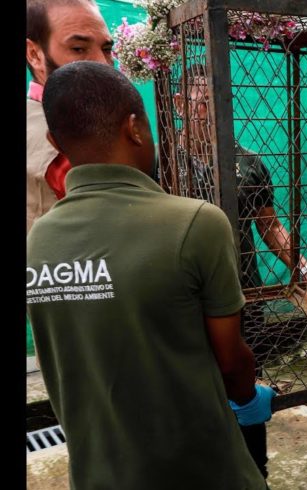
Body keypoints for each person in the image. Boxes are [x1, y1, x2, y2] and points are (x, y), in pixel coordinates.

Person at [27, 61, 272, 489]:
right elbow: (232, 362)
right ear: (136, 128)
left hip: (97, 472)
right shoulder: (198, 223)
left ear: (54, 140)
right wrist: (249, 397)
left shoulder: (37, 242)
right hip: (198, 468)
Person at [172, 62, 307, 477]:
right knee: (190, 393)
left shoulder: (249, 162)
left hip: (242, 294)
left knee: (245, 389)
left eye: (223, 101)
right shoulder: (164, 161)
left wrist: (305, 270)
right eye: (205, 103)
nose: (216, 111)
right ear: (181, 104)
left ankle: (256, 473)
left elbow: (270, 226)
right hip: (184, 298)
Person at [26, 0, 114, 234]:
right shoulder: (63, 140)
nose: (103, 64)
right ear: (34, 54)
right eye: (78, 49)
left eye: (106, 49)